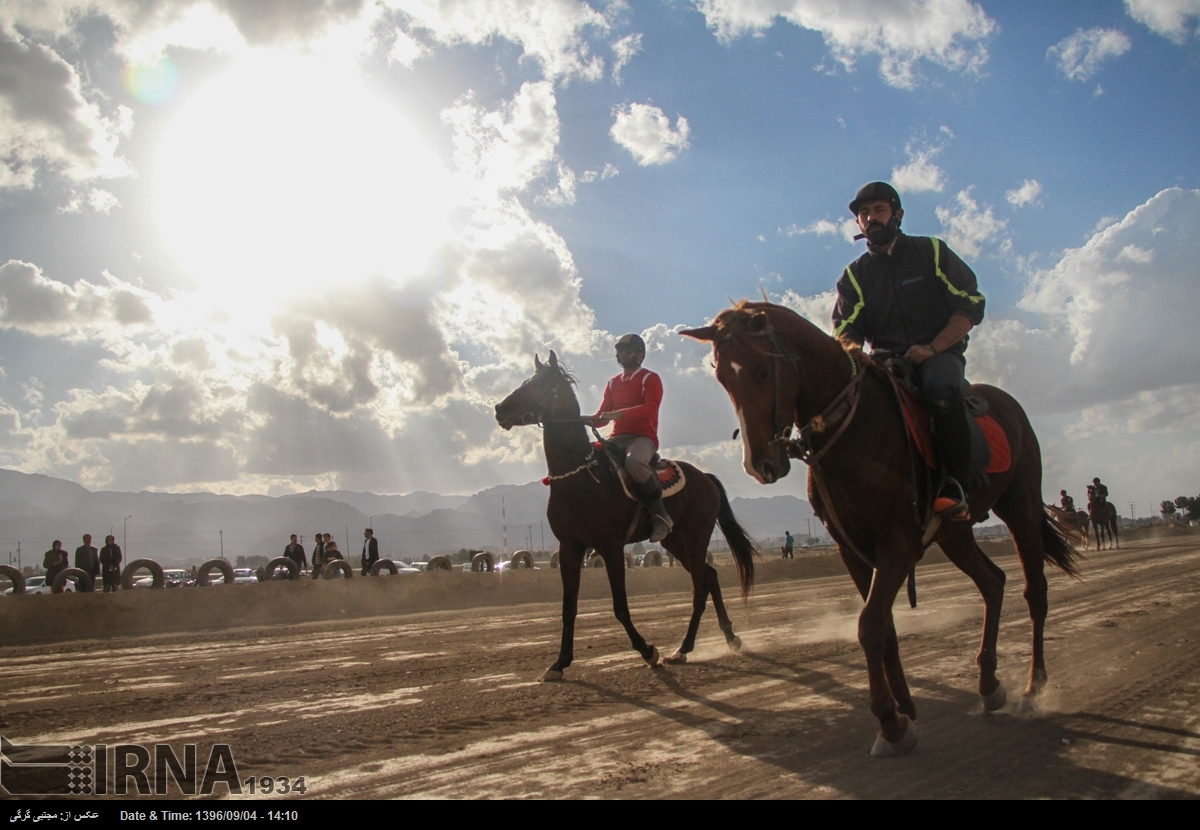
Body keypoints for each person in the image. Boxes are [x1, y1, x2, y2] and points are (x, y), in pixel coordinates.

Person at [831, 181, 986, 519]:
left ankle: (957, 486)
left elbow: (970, 303)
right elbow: (845, 327)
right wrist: (856, 352)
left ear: (897, 215)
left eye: (879, 210)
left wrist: (934, 347)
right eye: (864, 214)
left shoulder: (931, 251)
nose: (870, 218)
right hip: (885, 362)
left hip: (939, 355)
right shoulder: (854, 276)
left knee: (940, 388)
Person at [586, 333, 673, 542]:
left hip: (642, 438)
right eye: (620, 351)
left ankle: (660, 514)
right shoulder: (612, 383)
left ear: (639, 355)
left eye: (627, 351)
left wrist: (620, 414)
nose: (622, 354)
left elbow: (651, 408)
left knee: (634, 462)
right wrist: (585, 420)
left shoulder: (650, 378)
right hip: (616, 438)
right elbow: (602, 416)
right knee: (587, 460)